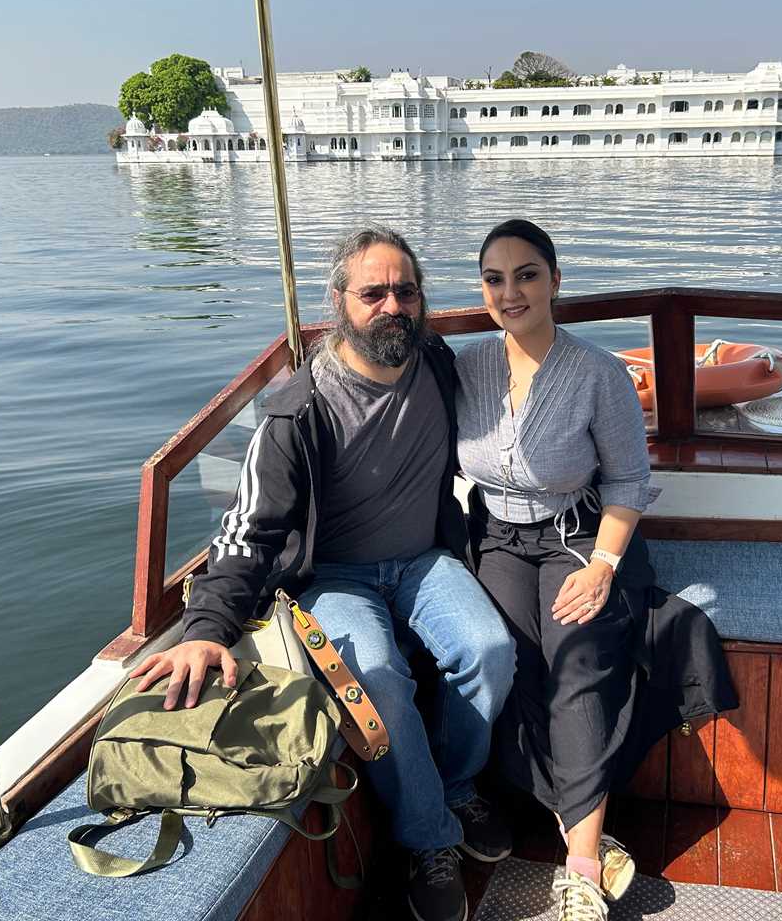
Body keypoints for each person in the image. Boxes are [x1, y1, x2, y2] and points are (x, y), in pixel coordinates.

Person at [130, 225, 516, 921]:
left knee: (489, 651)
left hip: (426, 560)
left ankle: (458, 784)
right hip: (335, 577)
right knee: (375, 677)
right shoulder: (296, 409)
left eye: (405, 290)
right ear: (339, 300)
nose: (392, 306)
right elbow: (248, 528)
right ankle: (429, 838)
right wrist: (206, 626)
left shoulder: (437, 362)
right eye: (373, 293)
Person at [455, 219, 737, 921]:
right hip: (495, 536)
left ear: (555, 280)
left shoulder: (596, 373)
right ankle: (576, 819)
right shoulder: (467, 368)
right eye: (495, 278)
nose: (510, 291)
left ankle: (579, 865)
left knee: (577, 654)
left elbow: (627, 480)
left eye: (526, 274)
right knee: (508, 660)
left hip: (579, 534)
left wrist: (606, 565)